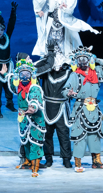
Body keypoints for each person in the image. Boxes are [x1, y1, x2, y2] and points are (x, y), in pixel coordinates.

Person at [63, 45, 103, 172]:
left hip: (94, 109)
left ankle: (96, 162)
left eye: (85, 59)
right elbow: (64, 90)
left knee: (95, 135)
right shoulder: (74, 75)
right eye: (79, 59)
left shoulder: (96, 72)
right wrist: (69, 93)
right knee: (79, 136)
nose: (82, 62)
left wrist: (96, 60)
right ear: (76, 61)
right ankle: (78, 163)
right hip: (80, 108)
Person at [31, 38, 73, 168]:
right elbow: (35, 68)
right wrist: (49, 55)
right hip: (47, 107)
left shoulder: (69, 71)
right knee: (47, 134)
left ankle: (66, 159)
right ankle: (48, 158)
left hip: (61, 107)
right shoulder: (46, 72)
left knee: (63, 134)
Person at [5, 55, 46, 177]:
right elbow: (12, 84)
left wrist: (33, 106)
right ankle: (28, 162)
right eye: (22, 74)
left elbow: (35, 98)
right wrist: (6, 73)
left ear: (32, 75)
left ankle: (35, 167)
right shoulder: (19, 87)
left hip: (35, 118)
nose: (24, 77)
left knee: (35, 142)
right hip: (23, 117)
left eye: (27, 74)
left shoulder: (34, 87)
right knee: (26, 141)